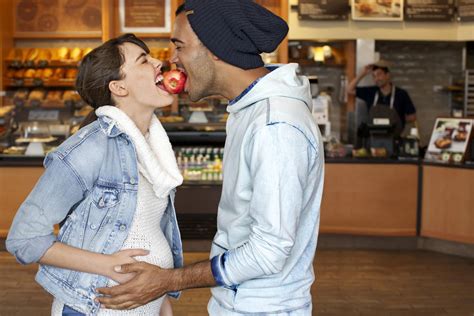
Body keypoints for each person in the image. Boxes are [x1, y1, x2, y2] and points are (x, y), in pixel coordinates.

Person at [97, 1, 325, 315]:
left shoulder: (275, 126)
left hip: (262, 309)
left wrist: (169, 280)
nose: (172, 60)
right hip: (241, 302)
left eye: (179, 46)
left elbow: (269, 251)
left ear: (216, 49)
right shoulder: (251, 110)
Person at [6, 33, 184, 315]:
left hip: (146, 304)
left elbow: (147, 229)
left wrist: (161, 299)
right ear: (119, 87)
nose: (158, 63)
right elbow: (23, 239)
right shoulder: (90, 148)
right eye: (143, 60)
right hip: (94, 306)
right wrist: (106, 264)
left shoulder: (154, 147)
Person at [347, 59, 417, 133]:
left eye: (379, 74)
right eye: (374, 76)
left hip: (394, 140)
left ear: (387, 75)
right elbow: (349, 90)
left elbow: (412, 117)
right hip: (373, 139)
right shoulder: (371, 92)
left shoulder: (401, 94)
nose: (376, 79)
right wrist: (363, 73)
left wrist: (396, 120)